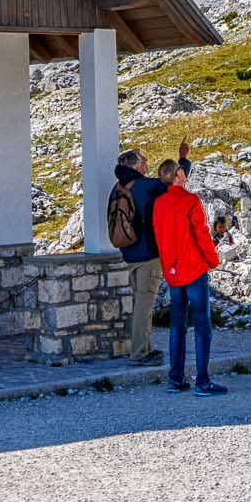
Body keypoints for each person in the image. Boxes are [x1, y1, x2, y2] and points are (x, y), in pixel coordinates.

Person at [151, 156, 225, 395]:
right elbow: (201, 233)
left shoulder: (159, 204)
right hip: (193, 268)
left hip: (172, 272)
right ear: (178, 175)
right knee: (202, 324)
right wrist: (212, 259)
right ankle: (202, 381)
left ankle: (176, 378)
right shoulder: (190, 201)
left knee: (177, 325)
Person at [108, 147, 171, 363]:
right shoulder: (144, 186)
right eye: (143, 161)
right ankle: (139, 353)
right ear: (136, 166)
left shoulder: (117, 188)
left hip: (128, 253)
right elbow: (171, 182)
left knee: (140, 303)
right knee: (145, 305)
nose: (146, 164)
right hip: (148, 256)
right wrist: (183, 160)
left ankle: (146, 347)